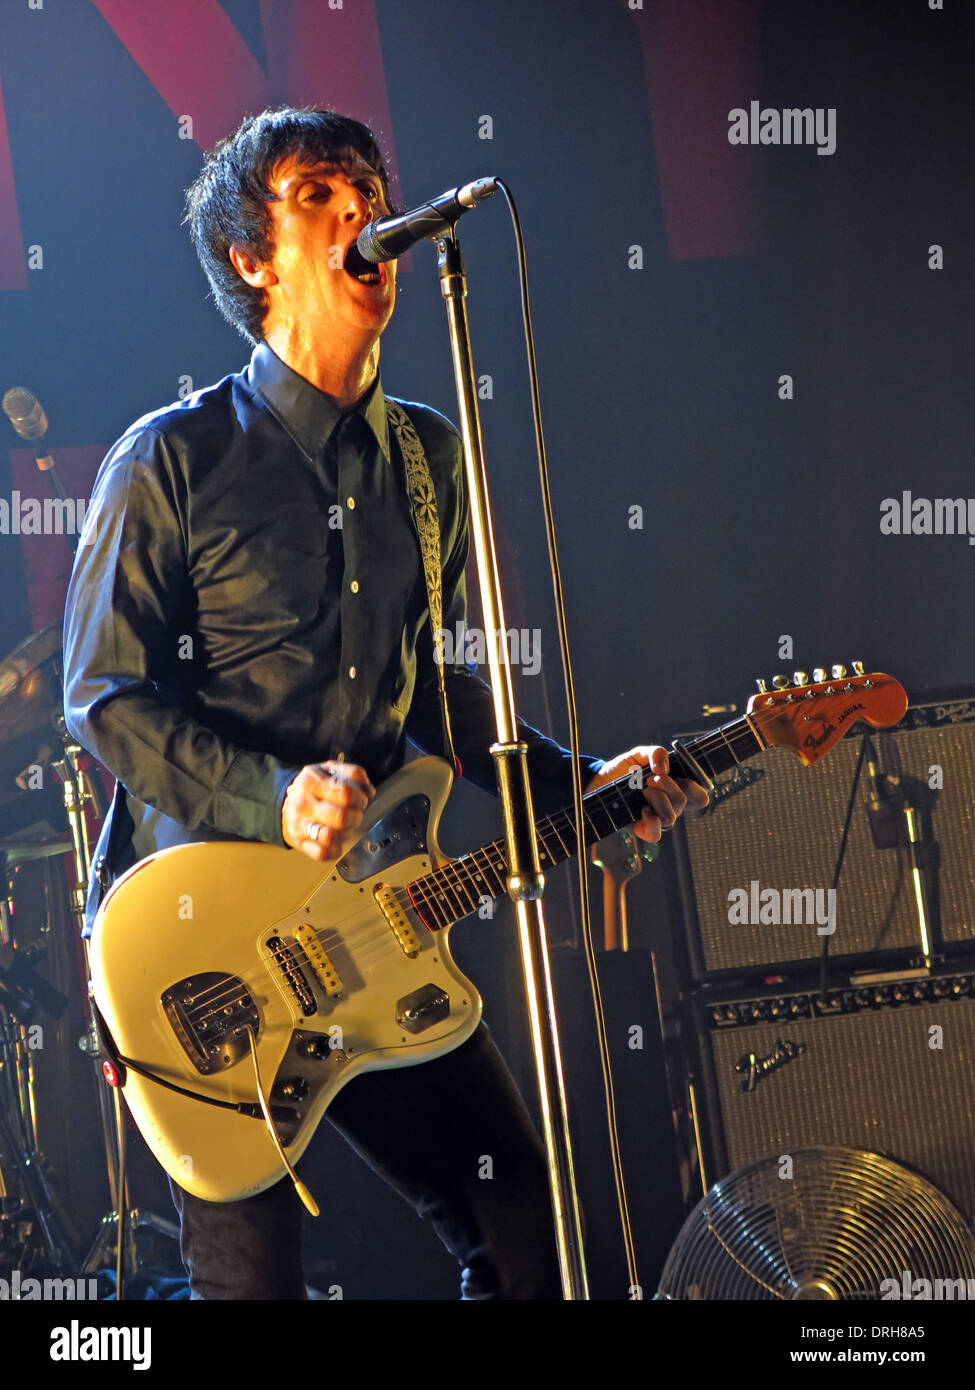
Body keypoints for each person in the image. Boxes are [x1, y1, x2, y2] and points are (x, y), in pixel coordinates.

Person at [63, 107, 707, 1300]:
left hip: (371, 928)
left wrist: (578, 783)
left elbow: (431, 692)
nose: (364, 206)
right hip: (207, 954)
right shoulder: (171, 460)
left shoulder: (427, 454)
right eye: (320, 192)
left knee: (526, 1232)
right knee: (253, 1285)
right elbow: (101, 695)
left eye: (369, 182)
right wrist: (275, 798)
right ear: (253, 259)